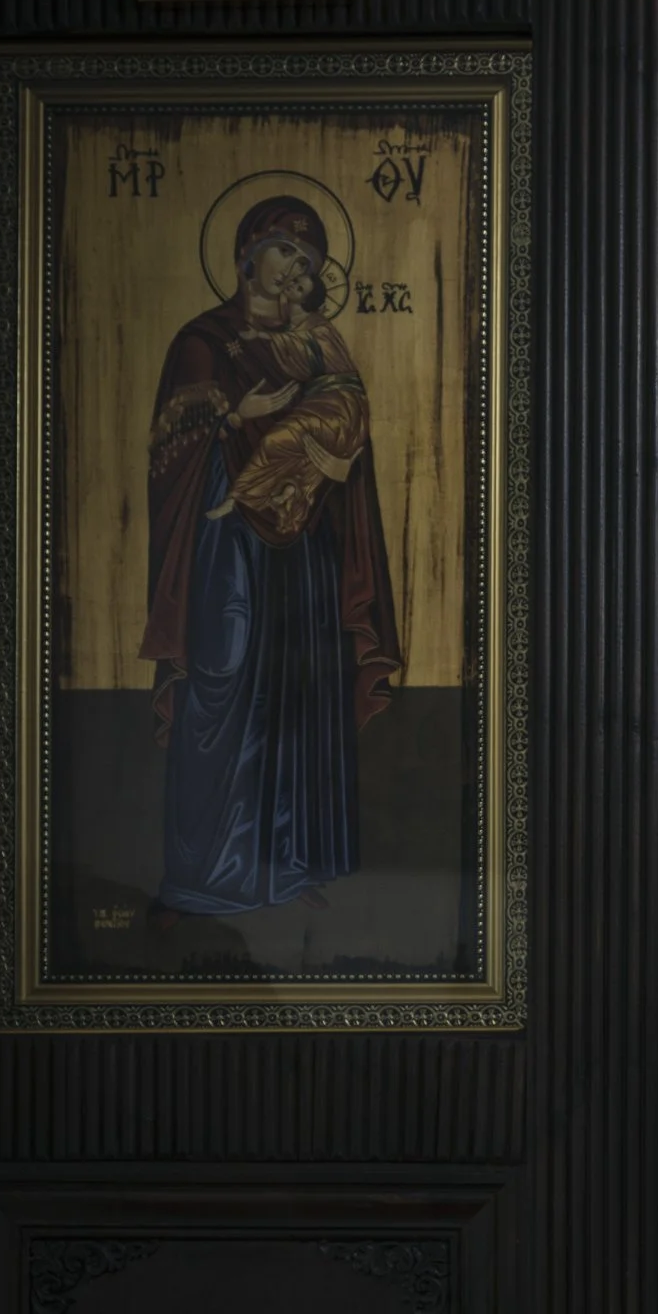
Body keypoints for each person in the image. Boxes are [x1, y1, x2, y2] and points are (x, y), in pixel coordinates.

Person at [140, 193, 402, 936]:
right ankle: (203, 878)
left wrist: (330, 441)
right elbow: (171, 453)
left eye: (308, 258)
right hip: (225, 549)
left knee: (297, 697)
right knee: (223, 689)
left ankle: (285, 863)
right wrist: (237, 416)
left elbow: (350, 434)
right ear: (249, 251)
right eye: (286, 248)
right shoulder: (203, 341)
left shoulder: (316, 341)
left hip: (305, 550)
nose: (296, 266)